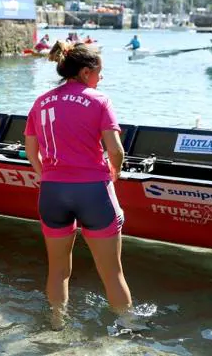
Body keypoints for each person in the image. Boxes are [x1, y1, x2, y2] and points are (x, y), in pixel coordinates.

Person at [24, 41, 132, 330]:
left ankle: (57, 325)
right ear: (85, 72)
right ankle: (128, 328)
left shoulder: (41, 101)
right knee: (112, 272)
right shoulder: (99, 100)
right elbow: (116, 150)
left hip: (52, 192)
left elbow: (30, 148)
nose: (101, 78)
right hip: (93, 190)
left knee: (58, 270)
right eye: (99, 72)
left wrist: (43, 173)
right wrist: (115, 172)